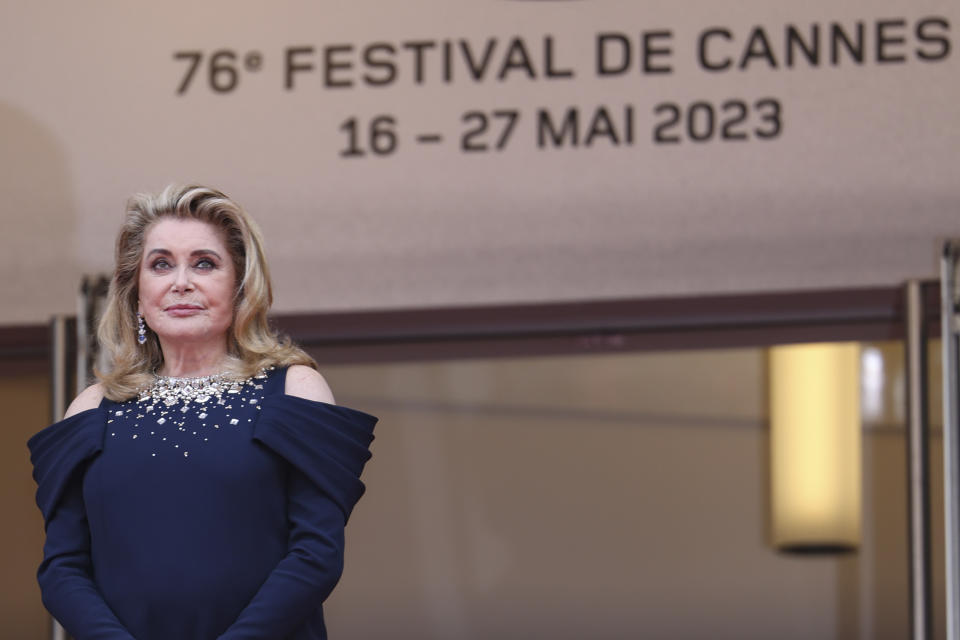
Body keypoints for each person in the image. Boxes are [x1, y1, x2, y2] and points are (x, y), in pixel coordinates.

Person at [27, 185, 377, 640]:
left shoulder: (292, 389)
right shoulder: (92, 408)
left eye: (204, 263)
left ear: (240, 286)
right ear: (136, 292)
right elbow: (62, 568)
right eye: (161, 264)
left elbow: (316, 553)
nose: (181, 282)